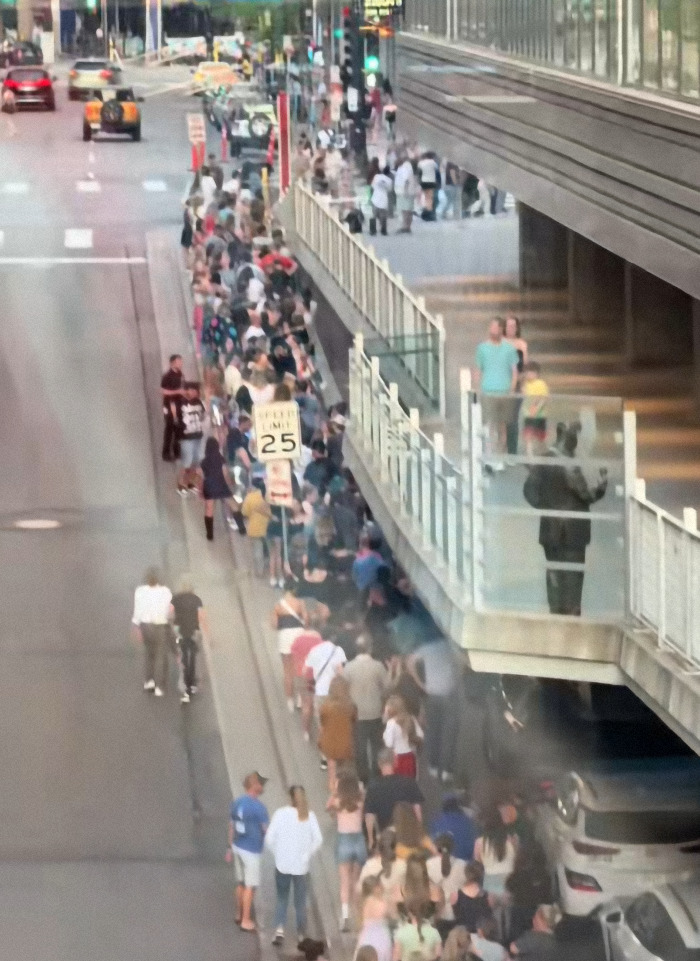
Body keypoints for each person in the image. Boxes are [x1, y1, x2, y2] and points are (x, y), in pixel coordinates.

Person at [522, 421, 608, 615]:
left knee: (553, 571)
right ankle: (571, 612)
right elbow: (586, 495)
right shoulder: (570, 466)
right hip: (573, 532)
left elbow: (529, 491)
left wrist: (546, 506)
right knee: (572, 575)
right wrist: (601, 486)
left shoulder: (545, 461)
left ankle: (555, 609)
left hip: (549, 531)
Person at [266, 786, 323, 946]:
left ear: (290, 798)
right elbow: (318, 840)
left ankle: (279, 930)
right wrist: (307, 855)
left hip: (282, 865)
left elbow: (269, 839)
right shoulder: (309, 815)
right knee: (300, 901)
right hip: (301, 867)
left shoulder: (280, 814)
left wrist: (277, 854)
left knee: (282, 898)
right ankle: (301, 933)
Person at [407, 640, 457, 782]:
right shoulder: (451, 647)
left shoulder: (427, 647)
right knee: (449, 732)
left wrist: (420, 683)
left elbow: (410, 662)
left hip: (433, 694)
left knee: (433, 730)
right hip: (448, 694)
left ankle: (434, 766)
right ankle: (447, 769)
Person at [343, 634, 389, 784]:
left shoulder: (348, 668)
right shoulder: (378, 666)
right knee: (376, 745)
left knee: (360, 748)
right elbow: (387, 688)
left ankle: (363, 778)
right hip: (375, 712)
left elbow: (343, 689)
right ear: (370, 648)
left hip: (357, 714)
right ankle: (377, 774)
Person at [228, 771, 269, 933]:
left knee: (241, 883)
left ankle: (239, 914)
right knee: (250, 886)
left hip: (238, 846)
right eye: (261, 783)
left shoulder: (237, 803)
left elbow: (231, 825)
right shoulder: (259, 808)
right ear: (255, 786)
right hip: (251, 849)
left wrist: (229, 846)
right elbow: (265, 830)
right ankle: (246, 920)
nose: (263, 786)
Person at [473, 320, 519, 462]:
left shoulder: (509, 349)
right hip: (488, 391)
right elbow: (478, 370)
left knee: (503, 426)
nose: (493, 330)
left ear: (501, 329)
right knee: (489, 425)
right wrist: (476, 388)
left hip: (504, 392)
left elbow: (514, 371)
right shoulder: (482, 348)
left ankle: (501, 455)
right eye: (491, 327)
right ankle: (489, 454)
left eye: (496, 327)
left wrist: (511, 389)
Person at [327, 770, 366, 930]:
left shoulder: (337, 802)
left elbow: (328, 807)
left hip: (344, 840)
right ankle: (359, 916)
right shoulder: (360, 801)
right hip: (358, 840)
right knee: (356, 881)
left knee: (344, 881)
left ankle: (345, 916)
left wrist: (336, 793)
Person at [364, 748, 424, 849]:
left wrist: (371, 839)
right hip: (407, 835)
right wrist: (420, 832)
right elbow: (417, 811)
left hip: (387, 837)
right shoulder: (409, 783)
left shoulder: (373, 787)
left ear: (379, 764)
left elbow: (369, 815)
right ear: (395, 762)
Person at [131, 568, 172, 698]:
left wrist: (136, 626)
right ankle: (160, 686)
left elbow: (137, 610)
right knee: (161, 655)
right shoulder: (165, 592)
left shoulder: (140, 591)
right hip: (160, 625)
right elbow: (168, 609)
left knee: (149, 653)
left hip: (145, 626)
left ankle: (149, 681)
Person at [170, 573, 209, 703]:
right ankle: (192, 683)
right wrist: (207, 632)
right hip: (193, 630)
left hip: (180, 630)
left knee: (182, 653)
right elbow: (201, 617)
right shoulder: (197, 599)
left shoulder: (175, 598)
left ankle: (184, 682)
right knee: (193, 655)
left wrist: (172, 623)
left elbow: (170, 613)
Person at [271, 582, 308, 712]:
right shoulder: (300, 603)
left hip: (284, 636)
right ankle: (299, 697)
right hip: (298, 634)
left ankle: (289, 701)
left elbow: (274, 625)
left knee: (287, 671)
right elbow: (306, 620)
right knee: (299, 667)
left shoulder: (278, 606)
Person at [318, 675, 357, 789]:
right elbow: (354, 722)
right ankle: (344, 786)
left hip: (329, 742)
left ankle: (333, 787)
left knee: (332, 767)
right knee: (346, 768)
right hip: (346, 743)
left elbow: (322, 723)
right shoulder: (351, 707)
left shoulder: (326, 707)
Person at [200, 436, 242, 541]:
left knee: (209, 509)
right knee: (234, 505)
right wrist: (230, 485)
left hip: (209, 487)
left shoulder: (204, 461)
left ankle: (210, 534)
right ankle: (241, 528)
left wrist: (201, 489)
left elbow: (200, 475)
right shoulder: (220, 459)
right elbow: (225, 474)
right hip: (221, 486)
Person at [473, 808, 518, 897]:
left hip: (491, 883)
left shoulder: (480, 842)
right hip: (510, 882)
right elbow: (516, 859)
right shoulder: (512, 840)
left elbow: (477, 860)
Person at [427, 834, 467, 929]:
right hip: (458, 912)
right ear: (453, 847)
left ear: (436, 848)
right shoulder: (463, 865)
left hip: (437, 913)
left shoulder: (428, 865)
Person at [502, 316, 528, 456]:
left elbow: (524, 366)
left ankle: (512, 451)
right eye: (508, 325)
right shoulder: (500, 343)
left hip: (516, 385)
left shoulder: (521, 344)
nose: (511, 328)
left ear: (517, 328)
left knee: (512, 418)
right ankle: (501, 447)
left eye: (513, 326)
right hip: (501, 383)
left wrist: (522, 384)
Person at [383, 694, 423, 778]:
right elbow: (420, 735)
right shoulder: (411, 719)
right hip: (410, 756)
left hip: (397, 759)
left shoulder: (391, 723)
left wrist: (384, 734)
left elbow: (389, 744)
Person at [176, 382, 206, 496]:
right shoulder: (181, 403)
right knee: (187, 463)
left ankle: (191, 483)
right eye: (191, 390)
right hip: (186, 437)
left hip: (197, 435)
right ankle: (181, 484)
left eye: (195, 390)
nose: (193, 392)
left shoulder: (199, 403)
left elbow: (203, 416)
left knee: (196, 463)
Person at [430, 795, 479, 862]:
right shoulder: (467, 821)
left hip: (443, 862)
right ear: (457, 805)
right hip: (467, 863)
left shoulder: (436, 821)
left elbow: (434, 845)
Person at [356, 877, 392, 961]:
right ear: (375, 888)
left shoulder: (363, 903)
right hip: (380, 934)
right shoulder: (381, 902)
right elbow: (389, 914)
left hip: (366, 935)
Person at [450, 861, 492, 933]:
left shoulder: (455, 895)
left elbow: (456, 918)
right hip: (482, 936)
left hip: (463, 937)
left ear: (466, 874)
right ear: (482, 874)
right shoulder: (488, 896)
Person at [241, 477, 271, 576]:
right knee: (271, 549)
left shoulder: (250, 497)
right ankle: (272, 569)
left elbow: (245, 512)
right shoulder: (268, 496)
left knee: (258, 550)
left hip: (255, 528)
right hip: (268, 526)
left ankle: (259, 571)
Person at [520, 362, 549, 457]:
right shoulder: (525, 385)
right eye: (527, 372)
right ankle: (530, 456)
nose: (529, 375)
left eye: (531, 372)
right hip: (528, 415)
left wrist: (537, 409)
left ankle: (544, 454)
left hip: (540, 416)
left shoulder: (541, 384)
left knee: (541, 438)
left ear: (537, 373)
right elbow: (523, 398)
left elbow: (544, 398)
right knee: (528, 436)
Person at [161, 354, 184, 461]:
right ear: (173, 363)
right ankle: (166, 453)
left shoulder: (180, 374)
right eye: (179, 361)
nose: (181, 364)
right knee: (169, 430)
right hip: (169, 405)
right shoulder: (167, 376)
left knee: (178, 429)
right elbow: (163, 391)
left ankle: (176, 451)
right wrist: (177, 391)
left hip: (179, 405)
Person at [394, 156, 417, 233]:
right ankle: (408, 226)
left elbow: (406, 180)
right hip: (407, 191)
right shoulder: (407, 167)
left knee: (405, 210)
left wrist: (405, 191)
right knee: (408, 210)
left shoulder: (404, 168)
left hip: (404, 192)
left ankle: (405, 226)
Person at [369, 166, 393, 237]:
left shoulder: (376, 177)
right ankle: (383, 230)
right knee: (383, 216)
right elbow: (389, 190)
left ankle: (372, 230)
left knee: (373, 215)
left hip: (375, 198)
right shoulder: (389, 180)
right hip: (384, 199)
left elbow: (372, 186)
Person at [417, 152, 439, 221]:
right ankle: (430, 213)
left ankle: (426, 211)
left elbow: (419, 172)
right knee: (430, 198)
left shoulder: (421, 163)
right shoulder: (433, 163)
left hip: (424, 181)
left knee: (426, 197)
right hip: (431, 181)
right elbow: (437, 170)